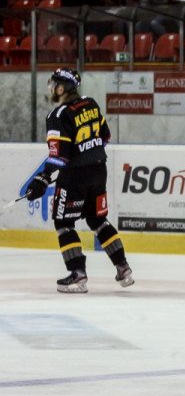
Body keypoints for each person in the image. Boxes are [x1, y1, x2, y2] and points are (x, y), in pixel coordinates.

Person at [24, 68, 134, 294]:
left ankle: (77, 274)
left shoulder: (57, 116)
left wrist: (43, 178)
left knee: (63, 223)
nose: (51, 88)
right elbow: (105, 137)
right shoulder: (91, 104)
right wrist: (86, 155)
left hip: (75, 176)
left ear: (62, 88)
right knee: (98, 220)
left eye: (54, 84)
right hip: (98, 170)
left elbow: (59, 156)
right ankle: (123, 267)